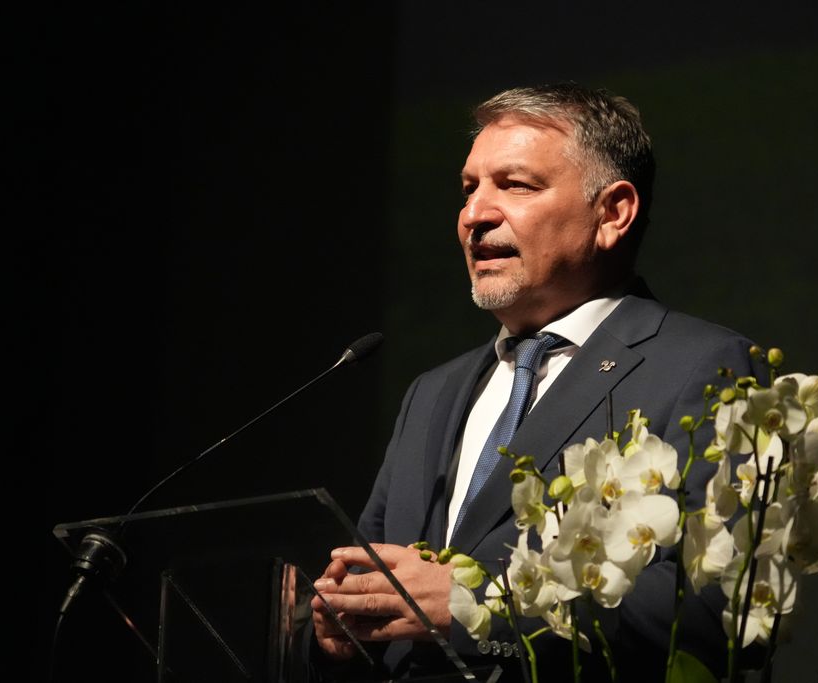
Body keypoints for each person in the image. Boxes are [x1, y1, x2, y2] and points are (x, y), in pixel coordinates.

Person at [307, 82, 764, 682]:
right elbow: (381, 589)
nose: (475, 214)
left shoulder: (702, 366)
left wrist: (479, 606)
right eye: (469, 189)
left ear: (613, 213)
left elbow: (718, 607)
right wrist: (340, 629)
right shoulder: (432, 393)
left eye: (516, 185)